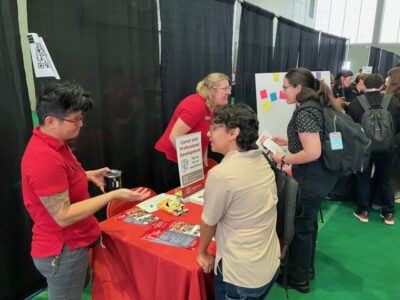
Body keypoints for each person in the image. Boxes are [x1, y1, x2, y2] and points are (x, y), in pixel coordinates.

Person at [21, 81, 150, 300]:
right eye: (76, 120)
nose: (81, 124)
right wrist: (114, 194)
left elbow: (62, 181)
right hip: (63, 249)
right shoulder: (43, 157)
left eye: (82, 118)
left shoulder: (57, 142)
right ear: (51, 121)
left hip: (71, 245)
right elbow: (63, 216)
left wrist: (87, 175)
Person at [197, 103, 280, 300]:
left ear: (233, 132)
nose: (209, 135)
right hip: (269, 263)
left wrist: (202, 252)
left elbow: (209, 221)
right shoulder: (261, 160)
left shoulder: (221, 174)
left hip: (241, 277)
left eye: (214, 128)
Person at [271, 68, 338, 293]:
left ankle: (298, 278)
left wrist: (284, 158)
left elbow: (313, 152)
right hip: (321, 177)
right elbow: (310, 144)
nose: (283, 92)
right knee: (307, 225)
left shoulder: (306, 112)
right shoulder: (314, 106)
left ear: (298, 88)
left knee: (299, 227)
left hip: (311, 178)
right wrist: (287, 142)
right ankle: (305, 269)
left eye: (286, 87)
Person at [154, 72, 231, 192]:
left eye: (229, 88)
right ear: (212, 90)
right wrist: (189, 166)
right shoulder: (195, 105)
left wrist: (202, 162)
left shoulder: (211, 107)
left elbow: (204, 137)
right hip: (171, 161)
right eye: (225, 88)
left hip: (188, 163)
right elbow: (174, 136)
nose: (229, 92)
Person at [347, 73, 400, 225]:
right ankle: (388, 213)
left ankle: (363, 211)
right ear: (382, 85)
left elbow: (352, 127)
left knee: (363, 178)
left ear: (364, 85)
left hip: (364, 148)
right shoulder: (393, 102)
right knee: (386, 179)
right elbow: (397, 127)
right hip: (387, 148)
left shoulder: (356, 103)